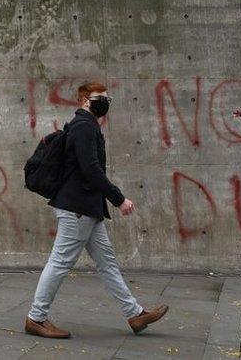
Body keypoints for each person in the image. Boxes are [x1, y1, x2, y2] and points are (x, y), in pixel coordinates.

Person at [25, 81, 168, 338]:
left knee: (107, 263)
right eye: (98, 97)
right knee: (59, 262)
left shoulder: (85, 126)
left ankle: (134, 314)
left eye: (106, 97)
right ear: (83, 101)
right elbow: (91, 170)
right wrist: (119, 199)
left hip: (86, 208)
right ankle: (36, 318)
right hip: (76, 207)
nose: (104, 101)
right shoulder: (83, 127)